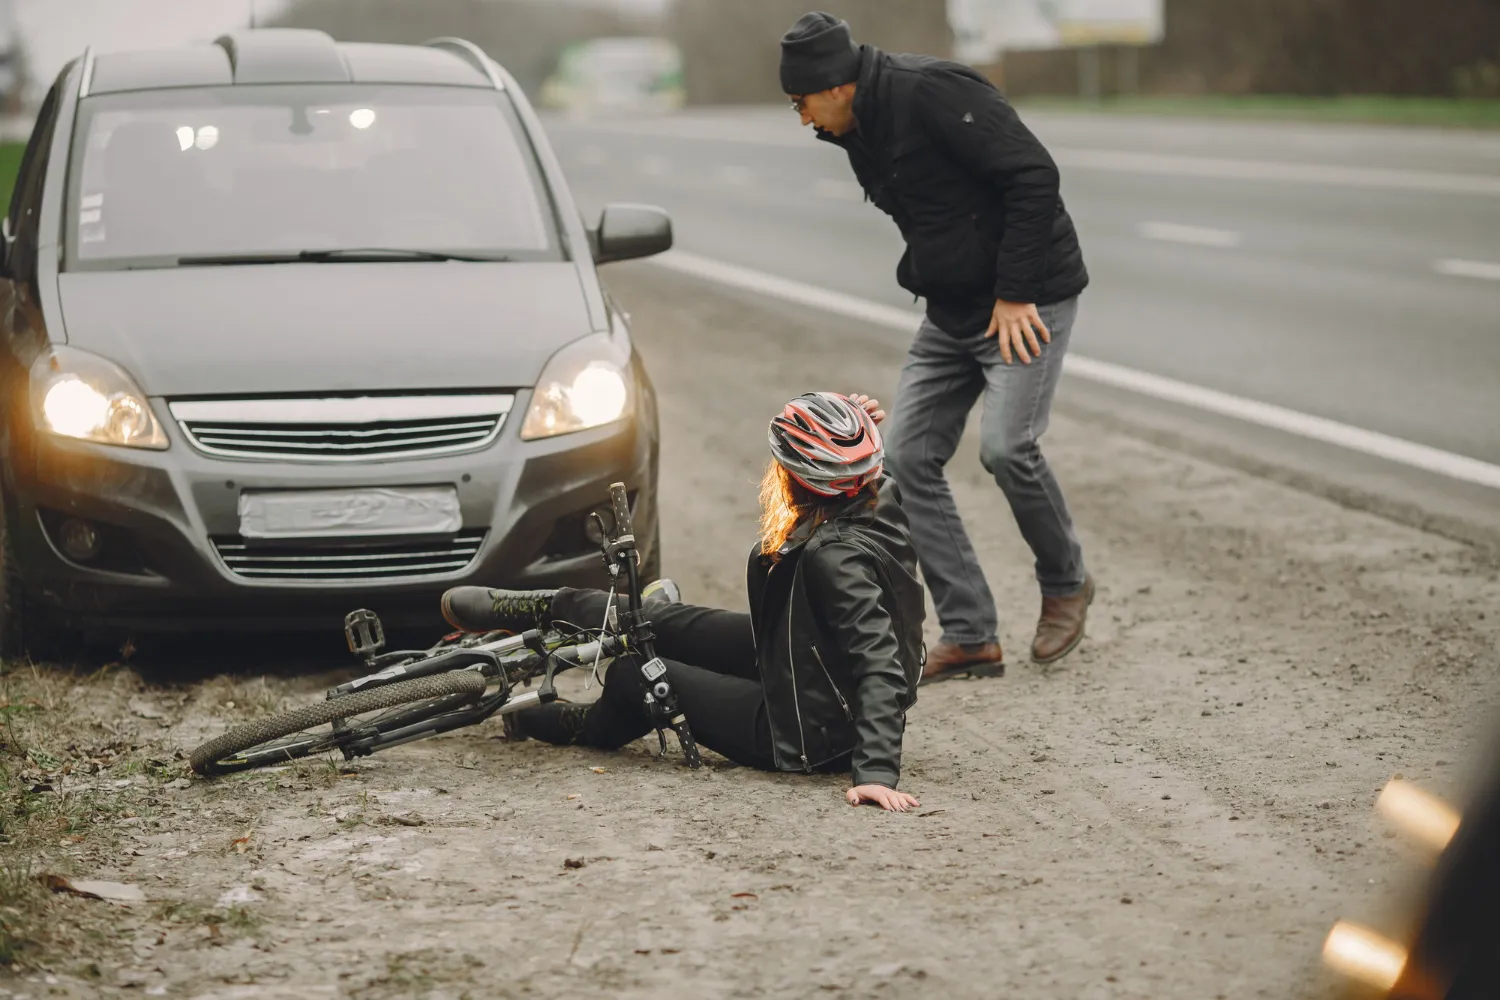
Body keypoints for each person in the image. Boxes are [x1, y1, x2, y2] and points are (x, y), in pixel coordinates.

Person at [779, 12, 1095, 681]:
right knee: (903, 459)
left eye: (800, 102)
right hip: (952, 312)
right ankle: (972, 633)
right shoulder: (858, 129)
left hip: (1023, 301)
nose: (801, 118)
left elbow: (1033, 175)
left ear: (834, 86)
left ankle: (1066, 582)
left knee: (1008, 447)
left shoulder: (932, 92)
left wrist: (1014, 291)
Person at [439, 392, 929, 812]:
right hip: (799, 659)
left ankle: (578, 723)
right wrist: (844, 432)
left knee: (637, 673)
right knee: (654, 619)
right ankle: (541, 606)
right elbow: (856, 467)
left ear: (799, 479)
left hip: (805, 728)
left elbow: (880, 662)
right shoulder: (877, 492)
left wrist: (876, 772)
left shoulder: (835, 559)